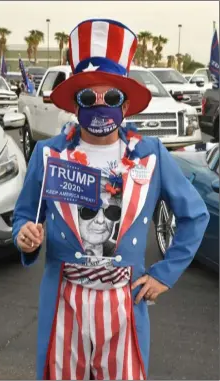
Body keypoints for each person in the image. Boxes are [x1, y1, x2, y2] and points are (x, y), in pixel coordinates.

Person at [12, 19, 210, 380]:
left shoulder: (151, 155)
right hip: (63, 300)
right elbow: (26, 215)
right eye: (88, 97)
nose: (99, 105)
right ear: (75, 103)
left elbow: (195, 215)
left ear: (126, 104)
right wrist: (25, 236)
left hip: (125, 302)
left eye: (112, 97)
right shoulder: (48, 153)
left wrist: (165, 274)